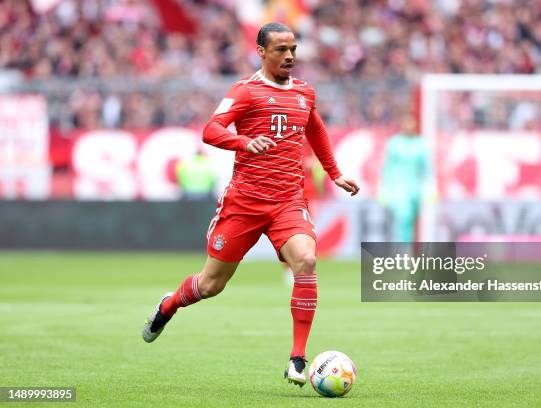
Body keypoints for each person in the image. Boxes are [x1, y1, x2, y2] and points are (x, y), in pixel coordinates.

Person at [142, 22, 360, 387]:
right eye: (280, 50)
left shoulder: (305, 93)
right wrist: (243, 142)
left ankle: (297, 358)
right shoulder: (246, 91)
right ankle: (168, 306)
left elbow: (315, 129)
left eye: (293, 48)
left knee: (305, 259)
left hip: (288, 200)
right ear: (261, 52)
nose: (289, 56)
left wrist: (334, 173)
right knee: (210, 285)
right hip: (244, 202)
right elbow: (211, 129)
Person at [378, 115, 429, 242]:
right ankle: (403, 251)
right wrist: (384, 189)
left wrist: (430, 186)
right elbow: (387, 168)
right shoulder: (394, 143)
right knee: (403, 217)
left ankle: (407, 248)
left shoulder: (421, 143)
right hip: (399, 189)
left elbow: (427, 168)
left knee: (411, 220)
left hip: (415, 189)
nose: (410, 126)